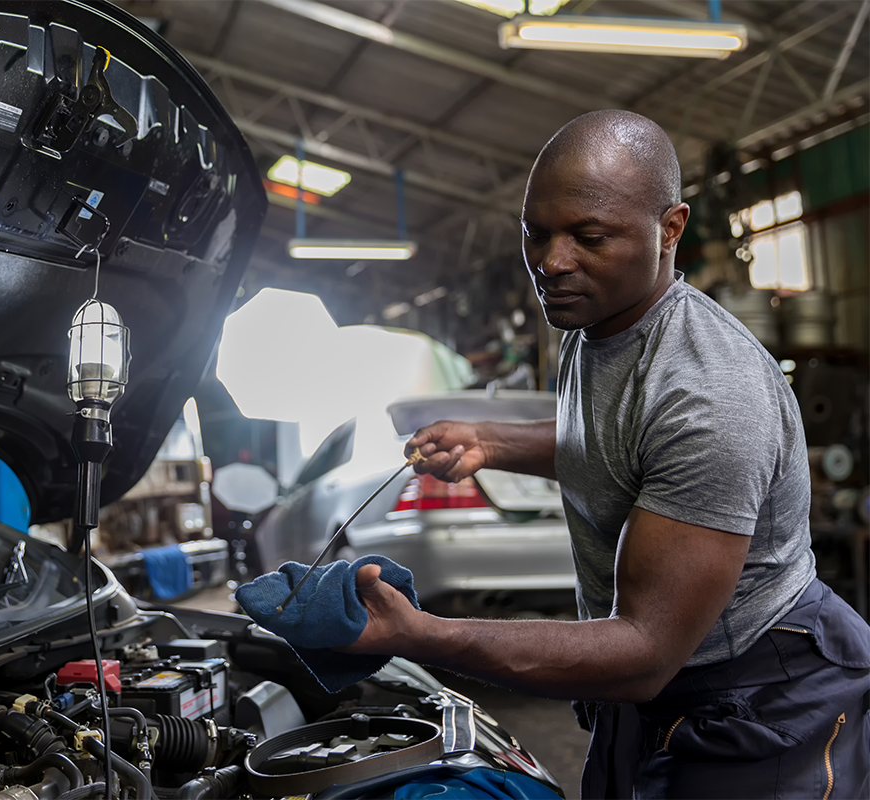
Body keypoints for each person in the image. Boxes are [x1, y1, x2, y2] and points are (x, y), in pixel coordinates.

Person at [340, 110, 869, 798]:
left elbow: (643, 650)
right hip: (654, 690)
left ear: (670, 228)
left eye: (590, 237)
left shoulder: (708, 393)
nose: (552, 263)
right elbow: (615, 447)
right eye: (536, 233)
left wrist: (423, 636)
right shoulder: (594, 322)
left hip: (757, 697)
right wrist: (491, 441)